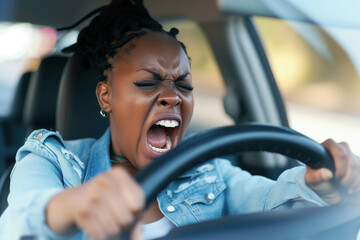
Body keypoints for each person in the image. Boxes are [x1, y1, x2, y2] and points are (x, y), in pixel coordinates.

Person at [1, 0, 360, 239]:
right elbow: (17, 224)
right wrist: (74, 205)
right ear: (105, 96)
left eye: (184, 85)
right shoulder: (51, 159)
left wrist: (318, 182)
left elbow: (270, 205)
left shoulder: (206, 170)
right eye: (148, 82)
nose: (172, 96)